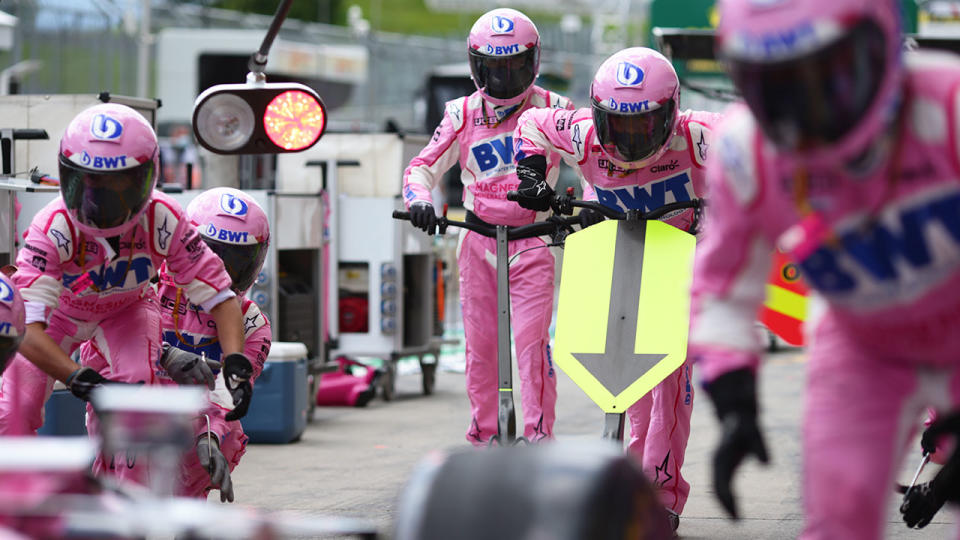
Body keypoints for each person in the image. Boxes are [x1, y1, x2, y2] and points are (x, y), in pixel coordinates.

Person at [689, 0, 960, 538]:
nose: (805, 111)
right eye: (777, 87)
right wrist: (732, 394)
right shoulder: (746, 151)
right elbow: (722, 288)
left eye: (829, 75)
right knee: (838, 508)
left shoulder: (949, 104)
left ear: (882, 44)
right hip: (862, 343)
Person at [512, 46, 719, 530]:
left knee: (668, 375)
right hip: (610, 250)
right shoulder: (581, 132)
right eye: (618, 125)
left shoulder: (702, 135)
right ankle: (631, 485)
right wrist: (529, 172)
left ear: (670, 113)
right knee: (620, 379)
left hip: (678, 259)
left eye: (643, 125)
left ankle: (662, 496)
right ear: (597, 114)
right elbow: (532, 126)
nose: (628, 139)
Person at [0, 103, 253, 461]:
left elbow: (221, 297)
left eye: (119, 186)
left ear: (147, 178)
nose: (102, 202)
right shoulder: (50, 227)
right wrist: (76, 376)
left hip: (126, 310)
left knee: (137, 395)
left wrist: (236, 362)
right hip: (58, 315)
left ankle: (126, 491)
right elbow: (26, 327)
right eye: (90, 184)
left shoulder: (164, 217)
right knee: (14, 411)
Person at [402, 7, 574, 445]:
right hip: (477, 240)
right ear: (476, 65)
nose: (504, 77)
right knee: (479, 349)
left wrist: (590, 209)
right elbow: (422, 167)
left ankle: (539, 440)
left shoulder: (556, 109)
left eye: (515, 65)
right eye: (494, 67)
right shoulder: (460, 113)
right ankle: (485, 437)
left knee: (532, 345)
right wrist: (421, 201)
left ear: (532, 62)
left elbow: (594, 165)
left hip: (533, 239)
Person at [153, 187, 272, 502]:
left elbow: (226, 396)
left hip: (194, 418)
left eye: (234, 263)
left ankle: (190, 508)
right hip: (132, 405)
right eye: (211, 258)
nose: (218, 274)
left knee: (228, 436)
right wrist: (161, 355)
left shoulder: (252, 323)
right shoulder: (146, 283)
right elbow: (98, 356)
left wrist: (211, 437)